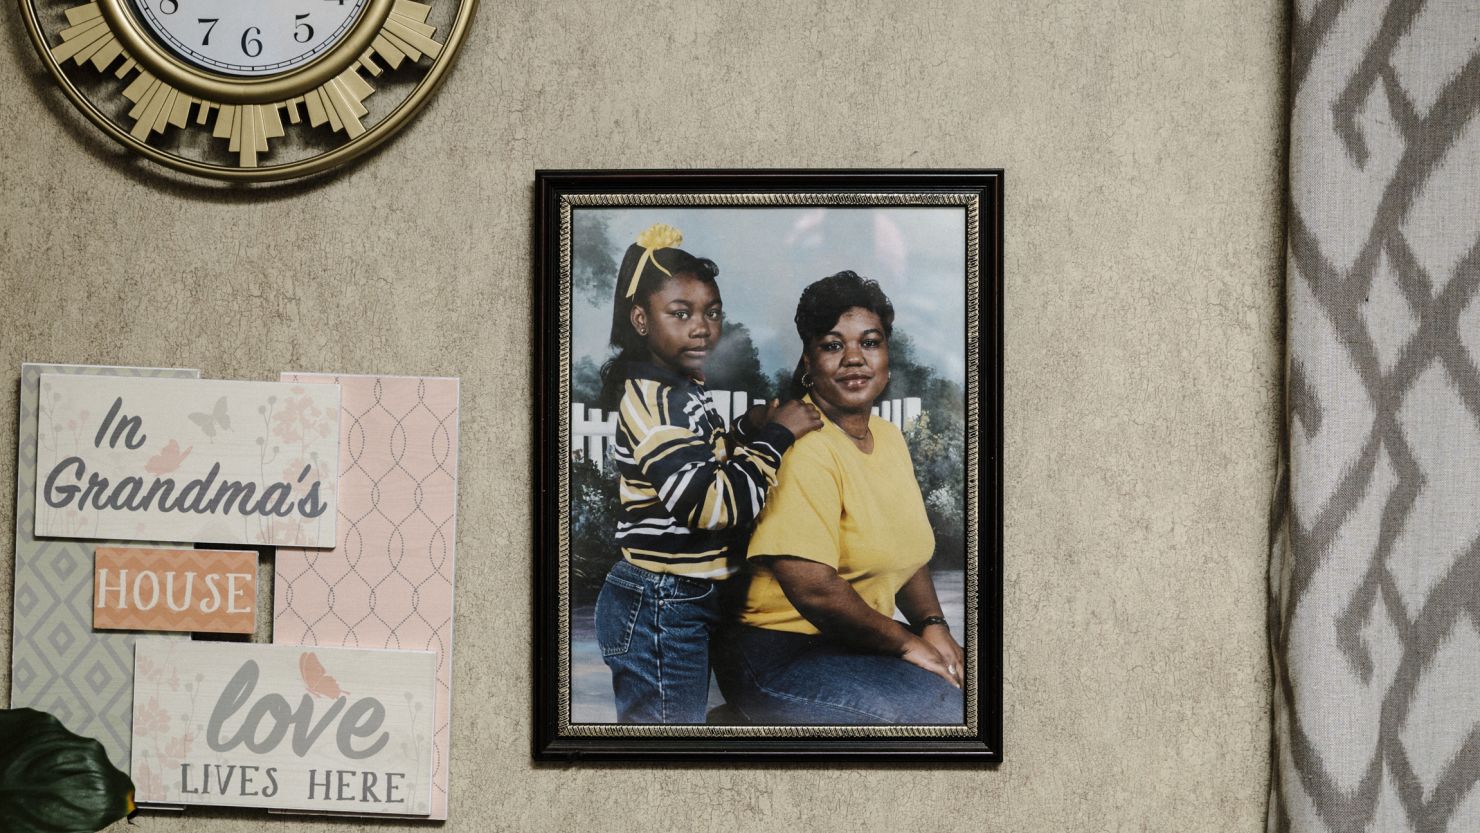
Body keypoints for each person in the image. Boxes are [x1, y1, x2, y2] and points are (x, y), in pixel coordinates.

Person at [594, 223, 821, 724]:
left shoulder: (682, 387)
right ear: (640, 319)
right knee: (664, 743)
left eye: (712, 312)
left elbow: (703, 457)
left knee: (684, 723)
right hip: (659, 601)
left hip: (683, 593)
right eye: (681, 314)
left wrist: (746, 427)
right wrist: (776, 438)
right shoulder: (656, 401)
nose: (702, 326)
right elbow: (708, 505)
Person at [714, 270, 964, 724]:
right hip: (778, 656)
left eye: (869, 342)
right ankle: (743, 719)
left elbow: (904, 553)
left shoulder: (888, 437)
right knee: (946, 716)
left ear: (887, 356)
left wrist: (933, 627)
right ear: (808, 362)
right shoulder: (804, 446)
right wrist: (911, 644)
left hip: (856, 642)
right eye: (833, 345)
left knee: (982, 695)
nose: (854, 359)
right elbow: (815, 590)